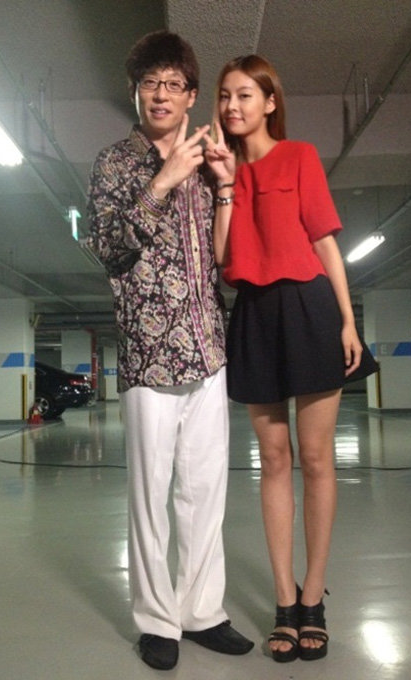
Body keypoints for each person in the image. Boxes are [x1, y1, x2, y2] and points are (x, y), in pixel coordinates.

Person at [87, 31, 254, 671]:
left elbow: (224, 263)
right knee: (150, 496)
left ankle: (202, 611)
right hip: (148, 353)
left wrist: (225, 186)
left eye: (173, 84)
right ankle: (158, 621)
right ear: (136, 92)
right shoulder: (113, 163)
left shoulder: (209, 160)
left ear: (190, 95)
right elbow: (109, 249)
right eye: (150, 83)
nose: (161, 94)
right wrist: (164, 180)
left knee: (205, 493)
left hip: (208, 346)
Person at [204, 54, 378, 663]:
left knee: (317, 458)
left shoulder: (299, 156)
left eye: (245, 95)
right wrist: (225, 183)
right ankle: (284, 600)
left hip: (309, 306)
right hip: (254, 313)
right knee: (273, 459)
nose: (232, 106)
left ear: (270, 102)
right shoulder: (219, 171)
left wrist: (349, 320)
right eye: (225, 96)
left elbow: (325, 241)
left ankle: (312, 597)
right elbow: (222, 261)